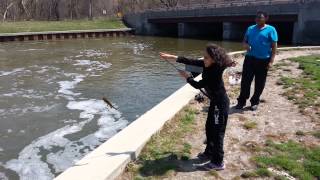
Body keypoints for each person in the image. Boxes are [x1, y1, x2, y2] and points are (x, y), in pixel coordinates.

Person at [160, 43, 235, 171]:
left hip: (220, 105)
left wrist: (187, 77)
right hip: (215, 103)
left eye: (206, 57)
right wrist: (171, 56)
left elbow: (198, 84)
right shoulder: (207, 64)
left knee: (218, 133)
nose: (203, 59)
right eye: (203, 56)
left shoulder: (214, 72)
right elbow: (190, 61)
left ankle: (218, 162)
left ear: (214, 58)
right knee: (209, 128)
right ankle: (209, 152)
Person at [236, 11, 278, 111]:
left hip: (263, 60)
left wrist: (271, 61)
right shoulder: (250, 28)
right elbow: (244, 41)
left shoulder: (271, 29)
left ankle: (254, 101)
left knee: (260, 82)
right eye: (256, 17)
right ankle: (241, 101)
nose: (257, 19)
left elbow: (274, 46)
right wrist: (245, 45)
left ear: (266, 18)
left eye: (260, 17)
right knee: (245, 81)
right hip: (249, 59)